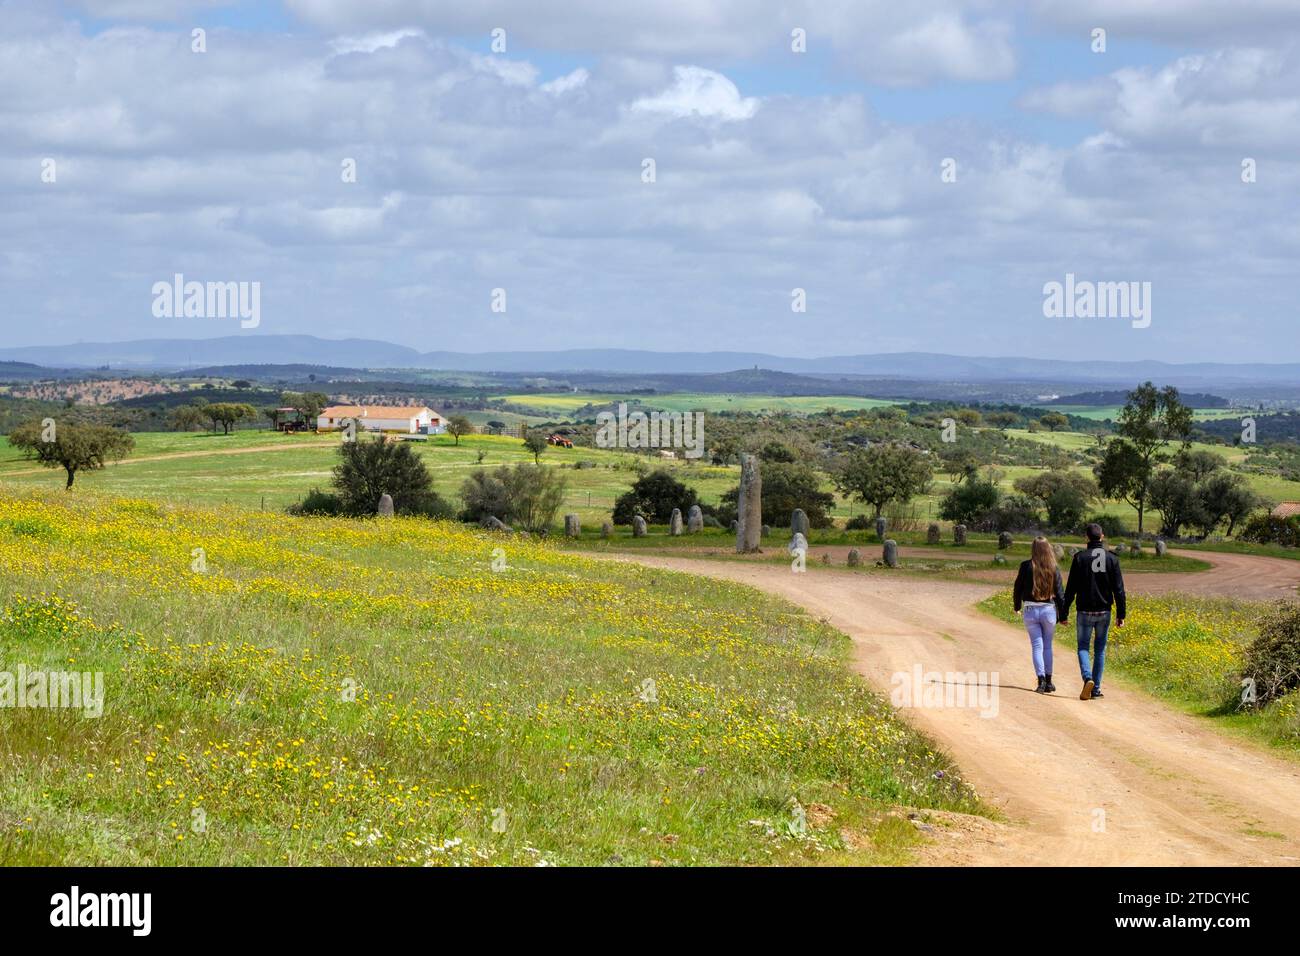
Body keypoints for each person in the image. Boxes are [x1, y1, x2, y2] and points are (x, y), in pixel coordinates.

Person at [1061, 523, 1126, 700]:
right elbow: (1119, 589)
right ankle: (1096, 689)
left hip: (1084, 610)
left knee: (1083, 647)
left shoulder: (1080, 558)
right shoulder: (1112, 558)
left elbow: (1071, 589)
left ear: (1086, 538)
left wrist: (1063, 613)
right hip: (1104, 611)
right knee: (1100, 650)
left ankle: (1087, 677)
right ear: (1102, 537)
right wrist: (1121, 614)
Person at [1013, 536, 1065, 694]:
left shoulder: (1026, 566)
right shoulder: (1053, 567)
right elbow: (1060, 593)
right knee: (1047, 646)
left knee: (1037, 646)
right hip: (1048, 610)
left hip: (1030, 610)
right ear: (1048, 548)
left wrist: (1017, 606)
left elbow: (1018, 588)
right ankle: (1049, 682)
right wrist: (1063, 615)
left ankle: (1041, 680)